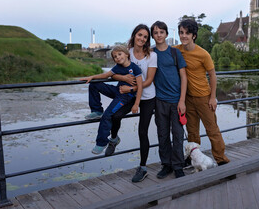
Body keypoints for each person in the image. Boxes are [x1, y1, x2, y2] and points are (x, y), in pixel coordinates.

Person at [174, 19, 230, 166]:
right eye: (181, 32)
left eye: (187, 33)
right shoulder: (176, 50)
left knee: (212, 129)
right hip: (188, 98)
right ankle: (194, 157)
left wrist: (213, 97)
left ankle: (221, 159)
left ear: (194, 35)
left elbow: (212, 75)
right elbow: (159, 51)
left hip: (204, 97)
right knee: (192, 131)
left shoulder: (203, 54)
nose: (184, 36)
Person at [109, 24, 157, 183]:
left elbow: (149, 80)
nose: (142, 39)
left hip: (148, 98)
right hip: (131, 97)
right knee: (116, 116)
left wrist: (132, 88)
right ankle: (114, 139)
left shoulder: (151, 55)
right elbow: (114, 74)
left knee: (142, 132)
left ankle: (142, 168)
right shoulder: (126, 53)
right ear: (134, 35)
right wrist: (123, 79)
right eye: (139, 35)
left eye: (145, 37)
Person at [80, 46, 143, 155]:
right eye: (115, 57)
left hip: (125, 96)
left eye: (119, 54)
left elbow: (140, 87)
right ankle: (97, 110)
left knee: (107, 115)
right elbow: (105, 75)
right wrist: (92, 77)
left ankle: (102, 142)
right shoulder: (117, 67)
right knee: (94, 85)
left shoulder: (135, 68)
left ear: (126, 54)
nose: (117, 58)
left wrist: (136, 104)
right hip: (117, 91)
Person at [151, 21, 187, 179]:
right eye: (155, 32)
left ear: (166, 34)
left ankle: (178, 166)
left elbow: (184, 77)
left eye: (161, 32)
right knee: (162, 135)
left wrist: (182, 101)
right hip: (159, 101)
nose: (158, 35)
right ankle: (167, 165)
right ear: (153, 35)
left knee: (178, 135)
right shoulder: (150, 54)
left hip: (176, 101)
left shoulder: (175, 53)